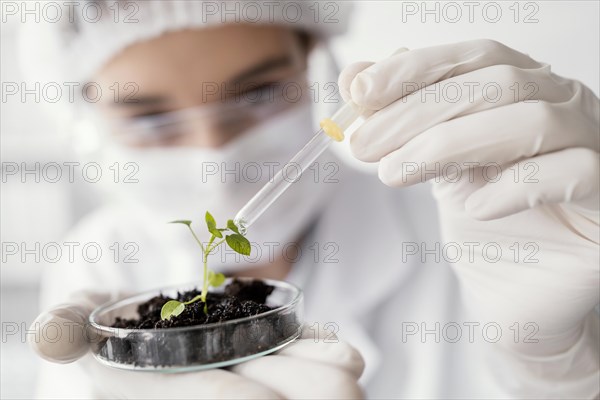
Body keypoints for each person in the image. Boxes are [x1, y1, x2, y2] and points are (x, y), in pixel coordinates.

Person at [22, 1, 599, 399]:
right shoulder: (100, 260)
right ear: (85, 120)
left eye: (261, 91)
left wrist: (554, 368)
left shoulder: (484, 225)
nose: (214, 153)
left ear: (316, 65)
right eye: (148, 117)